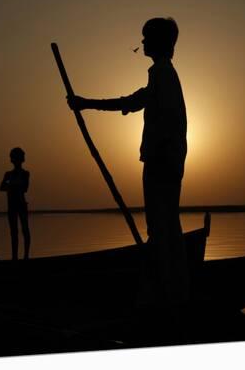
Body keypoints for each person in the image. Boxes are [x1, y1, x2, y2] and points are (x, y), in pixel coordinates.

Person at [68, 17, 189, 305]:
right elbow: (132, 102)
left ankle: (168, 291)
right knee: (166, 227)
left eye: (147, 38)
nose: (143, 42)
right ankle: (172, 285)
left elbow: (169, 120)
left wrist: (159, 154)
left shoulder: (163, 74)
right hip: (167, 161)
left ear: (160, 42)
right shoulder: (161, 75)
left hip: (162, 162)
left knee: (162, 228)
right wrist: (87, 104)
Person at [0, 147, 31, 260]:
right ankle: (14, 258)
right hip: (12, 206)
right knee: (14, 233)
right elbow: (1, 187)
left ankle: (26, 256)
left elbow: (25, 188)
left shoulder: (25, 174)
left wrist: (12, 186)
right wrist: (12, 186)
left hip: (21, 205)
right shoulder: (8, 174)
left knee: (25, 230)